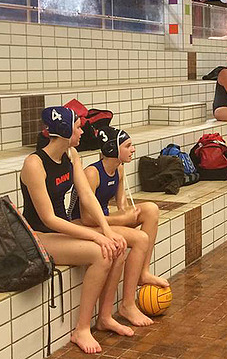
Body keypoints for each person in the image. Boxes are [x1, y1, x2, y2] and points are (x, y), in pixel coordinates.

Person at [20, 106, 133, 354]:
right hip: (39, 236)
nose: (83, 130)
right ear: (63, 130)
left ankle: (104, 316)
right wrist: (95, 236)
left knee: (118, 246)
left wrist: (106, 229)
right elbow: (48, 218)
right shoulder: (34, 164)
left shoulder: (71, 155)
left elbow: (86, 196)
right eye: (78, 126)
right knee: (101, 253)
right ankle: (81, 329)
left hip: (63, 228)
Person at [68, 127, 169, 325]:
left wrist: (127, 216)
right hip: (82, 224)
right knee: (140, 239)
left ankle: (143, 272)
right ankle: (127, 305)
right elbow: (87, 218)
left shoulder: (119, 168)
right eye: (128, 146)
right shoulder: (92, 173)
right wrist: (122, 220)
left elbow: (122, 206)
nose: (133, 150)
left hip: (102, 221)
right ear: (113, 149)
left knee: (150, 209)